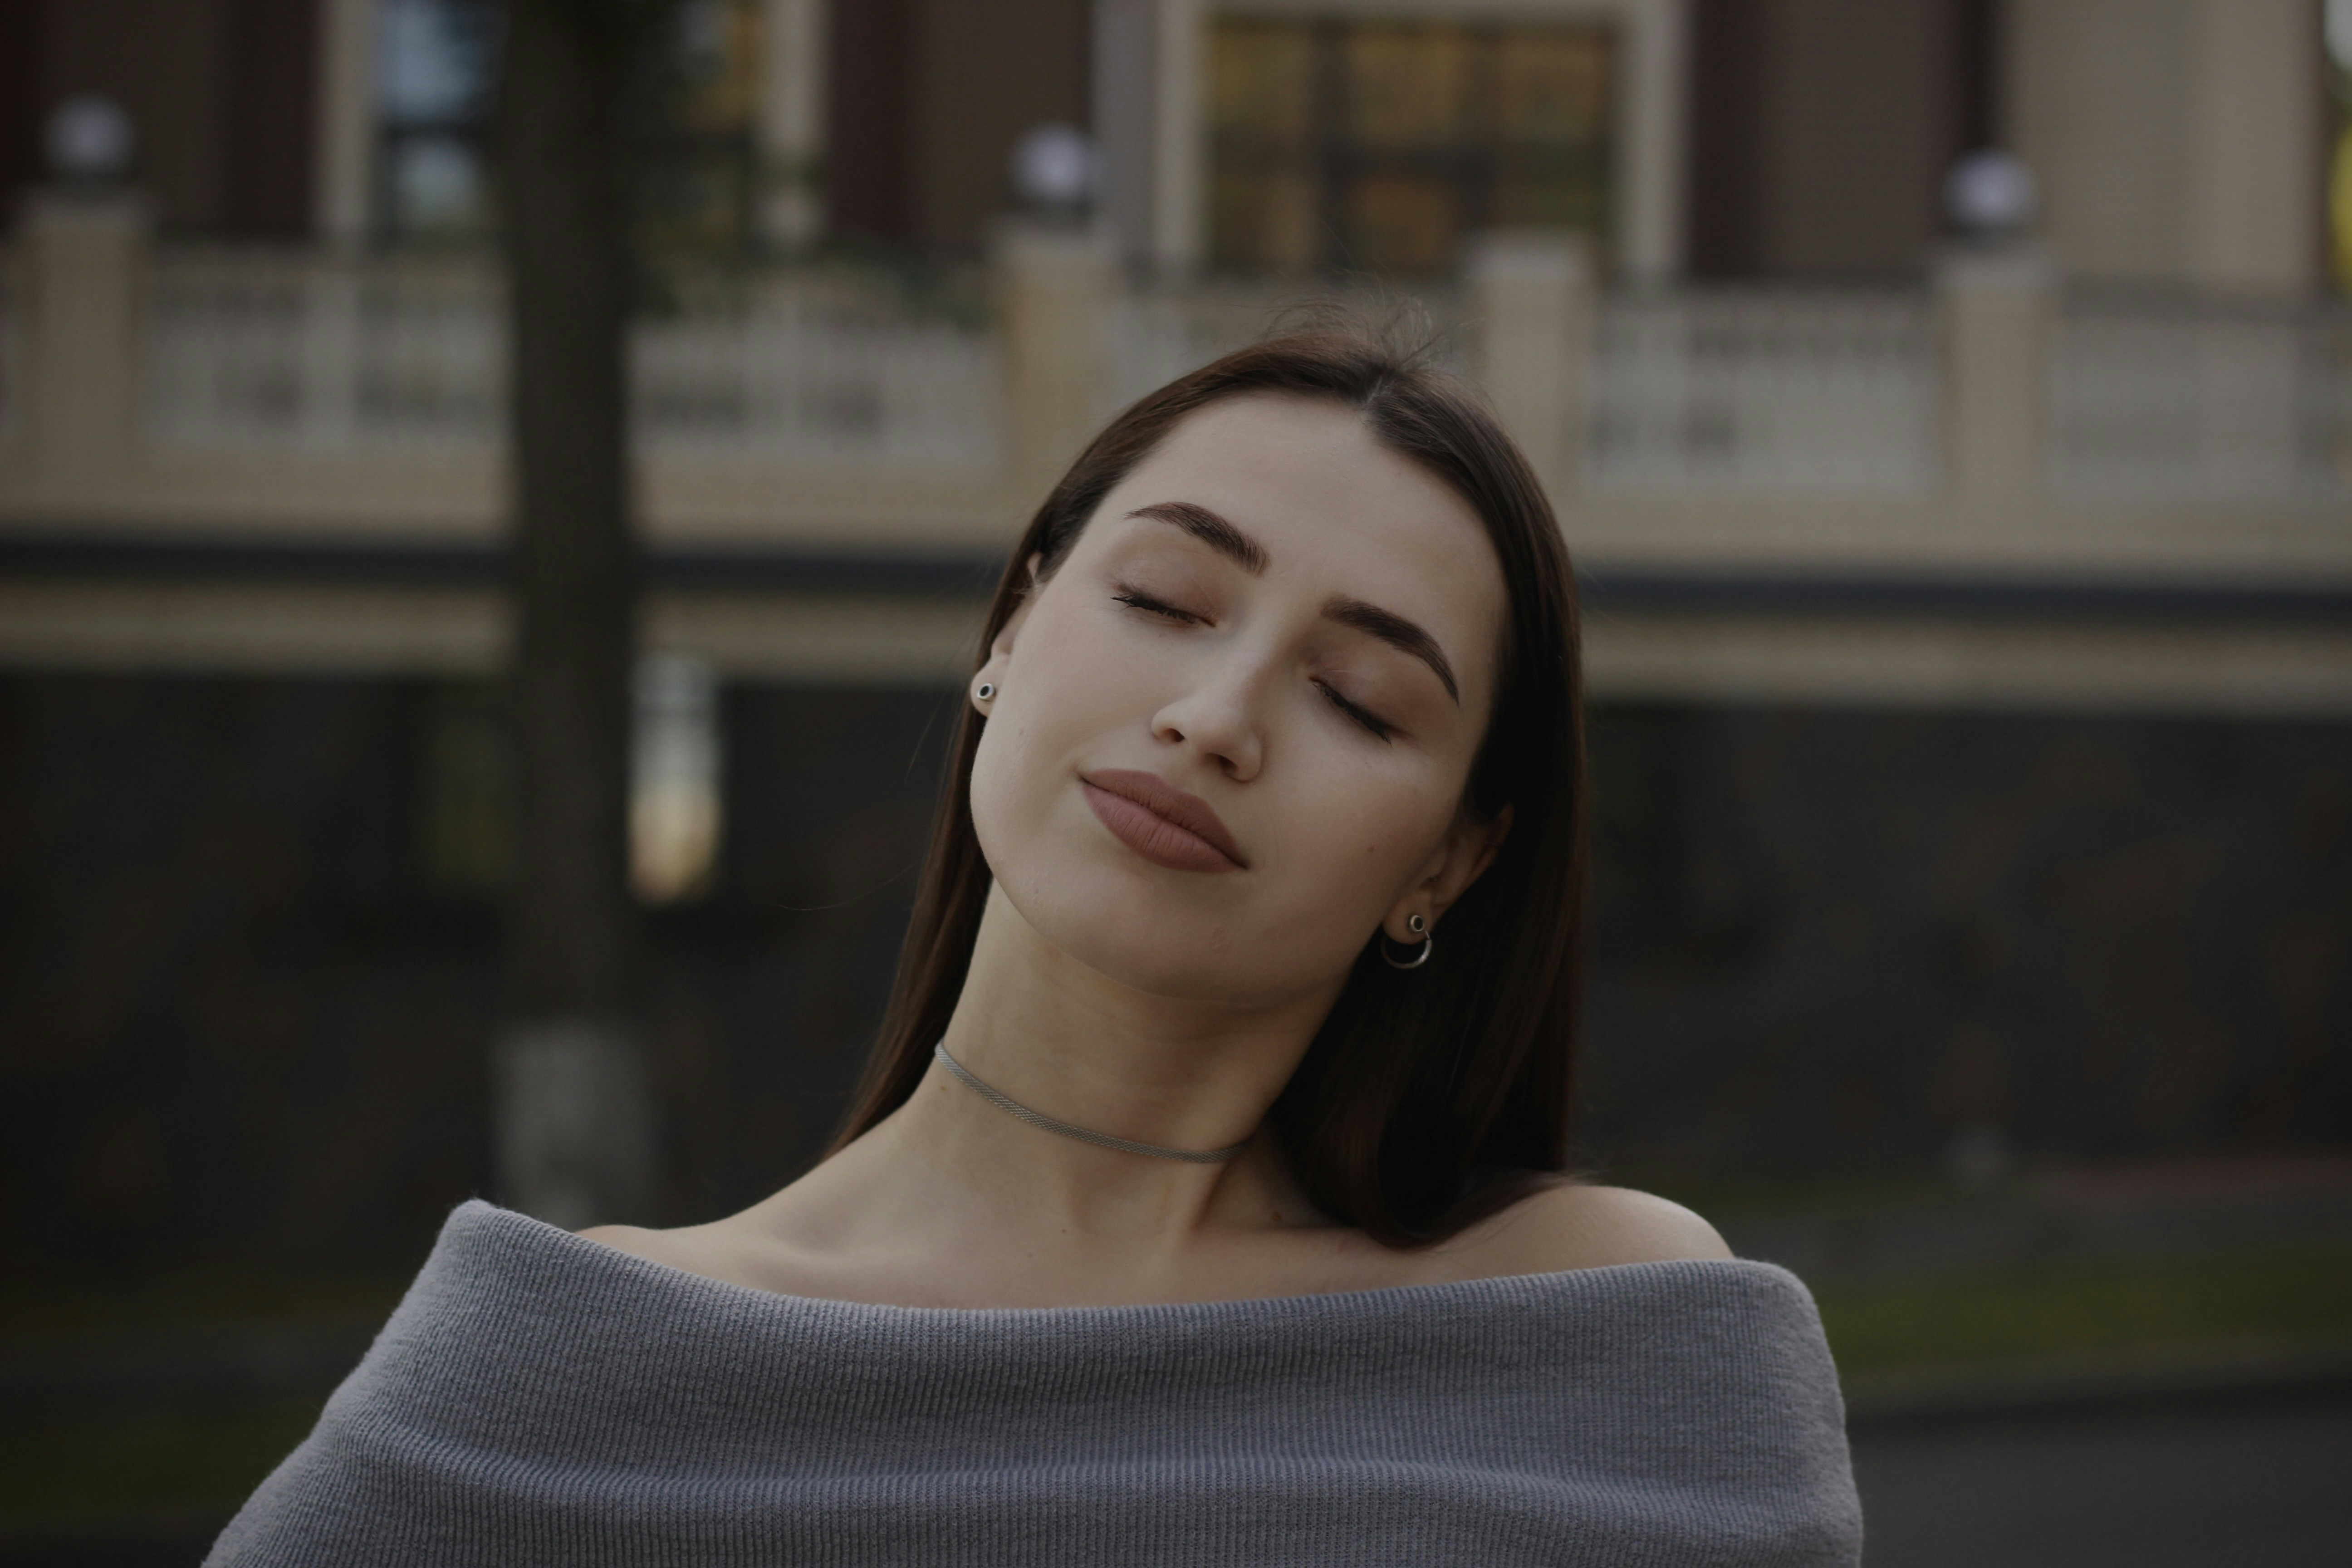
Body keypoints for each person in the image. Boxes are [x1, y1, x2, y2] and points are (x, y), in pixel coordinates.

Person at [207, 327, 1863, 1566]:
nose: (1214, 719)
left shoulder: (1607, 1341)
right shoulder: (551, 1379)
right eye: (1163, 598)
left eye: (1359, 699)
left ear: (1452, 855)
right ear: (1012, 625)